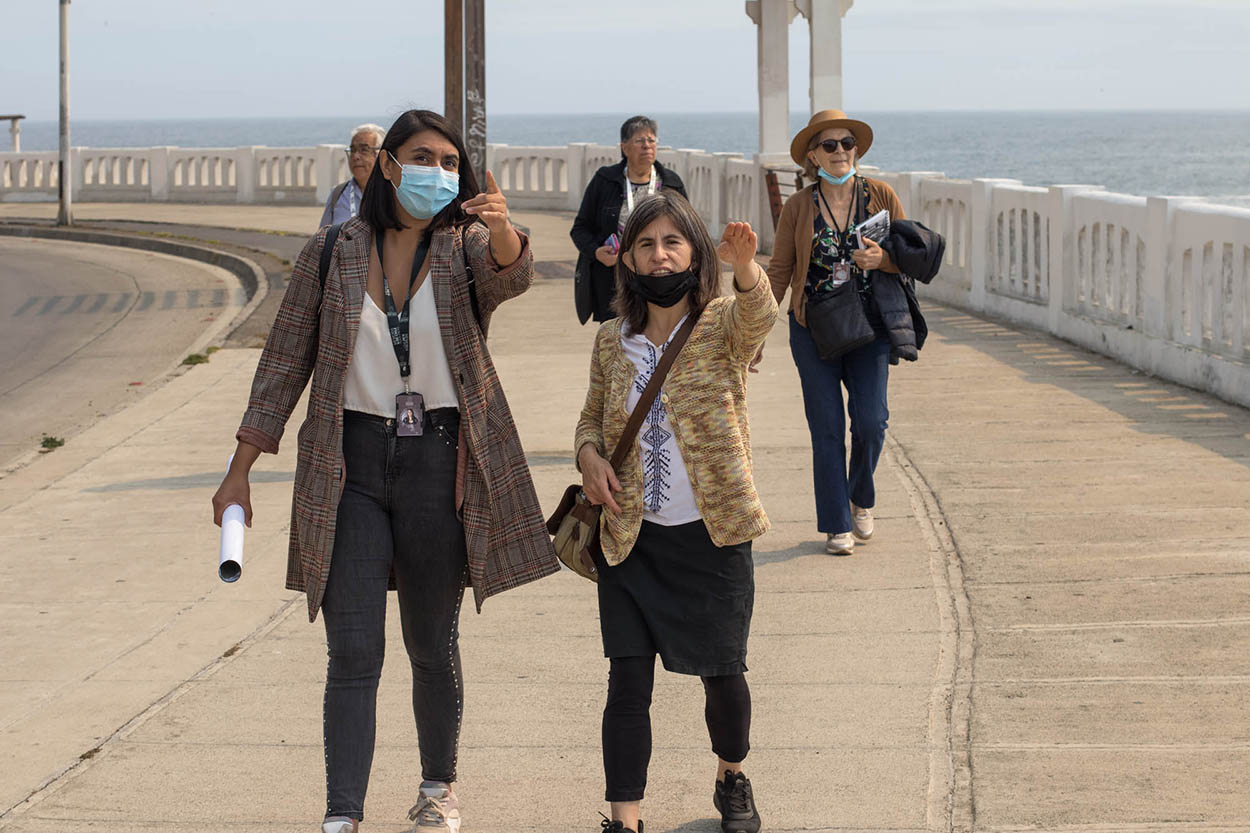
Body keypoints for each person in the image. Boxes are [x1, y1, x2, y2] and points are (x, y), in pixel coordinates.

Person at [212, 109, 559, 833]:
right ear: (390, 165)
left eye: (450, 163)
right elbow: (283, 362)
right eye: (423, 157)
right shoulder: (331, 252)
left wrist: (503, 229)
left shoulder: (464, 246)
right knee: (353, 649)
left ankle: (438, 788)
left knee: (431, 643)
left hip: (440, 460)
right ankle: (342, 814)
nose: (439, 172)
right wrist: (240, 467)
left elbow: (512, 275)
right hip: (351, 464)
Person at [575, 191, 777, 833]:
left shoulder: (722, 325)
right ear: (629, 259)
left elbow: (759, 317)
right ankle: (624, 818)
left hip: (712, 537)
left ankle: (731, 775)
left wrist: (746, 267)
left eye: (672, 242)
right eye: (646, 244)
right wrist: (588, 457)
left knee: (724, 677)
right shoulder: (611, 340)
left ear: (693, 253)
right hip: (630, 539)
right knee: (627, 683)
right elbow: (590, 418)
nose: (659, 256)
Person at [765, 109, 913, 556]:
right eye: (828, 145)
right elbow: (780, 271)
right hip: (813, 329)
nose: (840, 151)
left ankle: (860, 497)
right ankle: (836, 524)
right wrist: (751, 333)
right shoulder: (798, 206)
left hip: (870, 327)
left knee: (871, 421)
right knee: (827, 428)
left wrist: (883, 261)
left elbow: (909, 255)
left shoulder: (881, 195)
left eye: (847, 143)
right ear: (813, 156)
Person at [570, 115, 689, 323]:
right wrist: (597, 252)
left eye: (651, 140)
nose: (647, 146)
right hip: (614, 281)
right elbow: (580, 229)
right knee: (615, 337)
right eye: (639, 141)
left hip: (658, 276)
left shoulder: (671, 183)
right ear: (624, 147)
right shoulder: (605, 181)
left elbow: (688, 232)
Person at [319, 123, 386, 227]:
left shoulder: (392, 195)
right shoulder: (338, 194)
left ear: (380, 156)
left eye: (364, 150)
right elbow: (323, 235)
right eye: (353, 150)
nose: (355, 156)